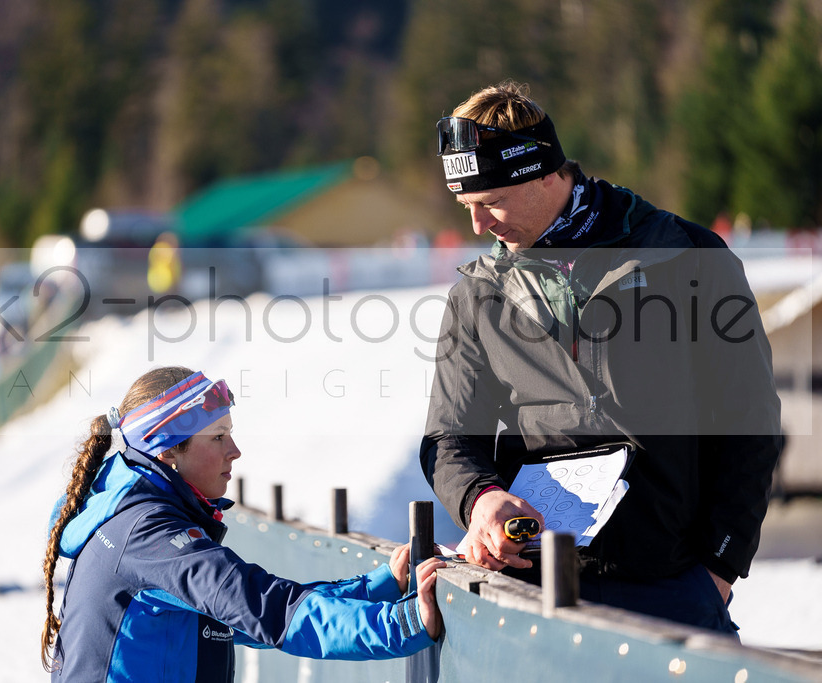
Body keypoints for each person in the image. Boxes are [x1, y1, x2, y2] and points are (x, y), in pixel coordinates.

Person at [420, 80, 782, 634]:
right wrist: (480, 500)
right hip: (533, 587)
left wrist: (721, 564)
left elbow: (750, 419)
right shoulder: (477, 295)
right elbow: (449, 438)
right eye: (467, 206)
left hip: (672, 584)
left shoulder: (688, 256)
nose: (478, 226)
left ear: (543, 173)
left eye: (491, 202)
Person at [42, 366, 444, 681]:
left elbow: (249, 613)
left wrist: (381, 587)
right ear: (168, 451)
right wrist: (402, 624)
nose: (234, 451)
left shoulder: (136, 514)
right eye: (217, 437)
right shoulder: (149, 533)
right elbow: (264, 608)